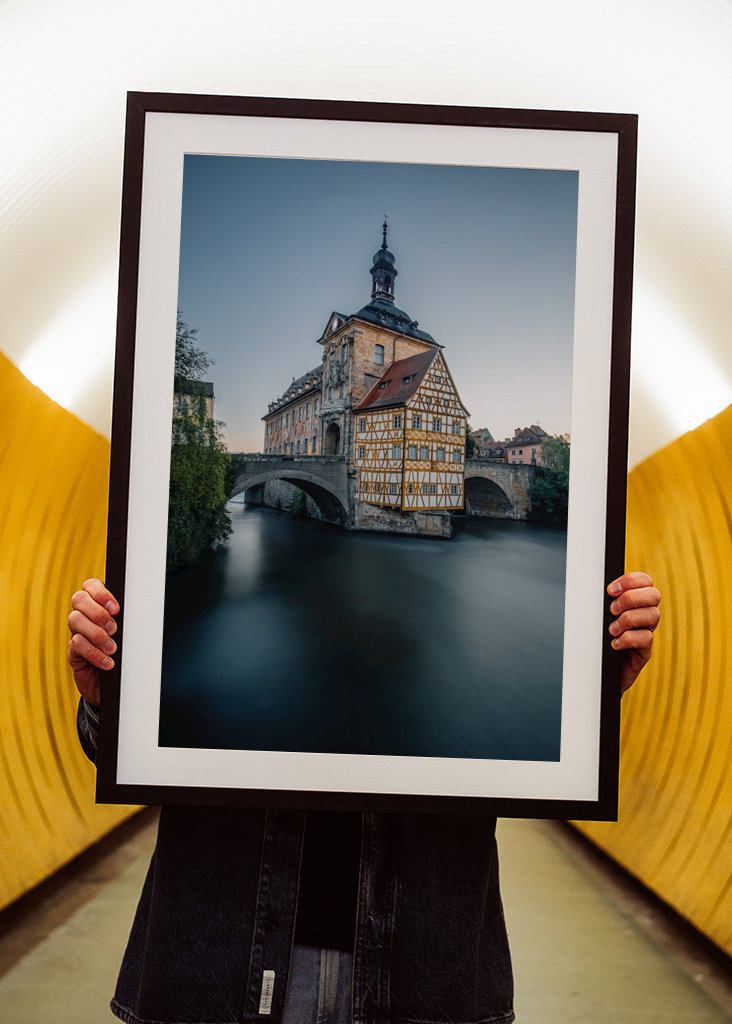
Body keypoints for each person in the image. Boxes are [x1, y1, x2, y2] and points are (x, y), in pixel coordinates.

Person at [68, 572, 661, 1024]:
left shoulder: (442, 659)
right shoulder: (257, 646)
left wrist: (589, 693)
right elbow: (123, 753)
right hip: (219, 957)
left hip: (423, 967)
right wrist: (109, 701)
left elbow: (533, 752)